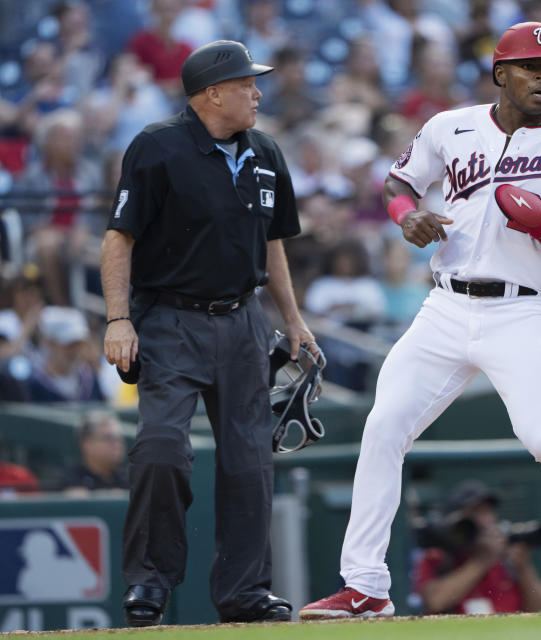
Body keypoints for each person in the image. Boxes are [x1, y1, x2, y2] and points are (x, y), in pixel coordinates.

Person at [298, 21, 541, 620]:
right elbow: (398, 182)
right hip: (445, 306)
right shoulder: (451, 126)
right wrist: (404, 214)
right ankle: (365, 585)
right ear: (501, 73)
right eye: (533, 68)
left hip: (520, 310)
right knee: (383, 426)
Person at [100, 40, 317, 626]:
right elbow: (119, 237)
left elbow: (273, 243)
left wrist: (292, 320)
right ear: (211, 93)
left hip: (244, 320)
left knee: (249, 462)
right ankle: (149, 581)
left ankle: (244, 595)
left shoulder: (266, 150)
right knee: (162, 449)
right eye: (247, 83)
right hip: (169, 319)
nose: (257, 92)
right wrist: (118, 319)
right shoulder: (157, 147)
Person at [412, 480, 541, 615]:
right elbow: (435, 602)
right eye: (476, 512)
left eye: (488, 512)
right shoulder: (440, 558)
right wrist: (482, 561)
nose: (485, 521)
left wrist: (524, 568)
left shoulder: (506, 561)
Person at [56, 411, 129, 494]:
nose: (117, 444)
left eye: (119, 439)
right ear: (87, 444)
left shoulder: (129, 478)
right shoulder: (70, 478)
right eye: (108, 438)